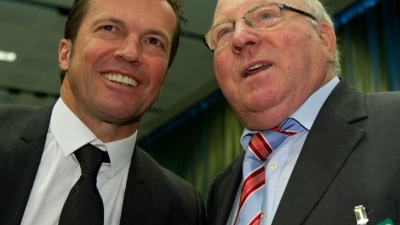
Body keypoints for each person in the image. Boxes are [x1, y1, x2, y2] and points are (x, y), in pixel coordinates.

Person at [0, 0, 206, 224]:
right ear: (65, 54)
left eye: (153, 41)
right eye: (109, 28)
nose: (130, 53)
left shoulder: (181, 209)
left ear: (163, 76)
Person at [204, 0, 400, 224]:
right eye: (224, 32)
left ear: (324, 39)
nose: (239, 38)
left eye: (266, 16)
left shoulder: (395, 126)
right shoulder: (221, 191)